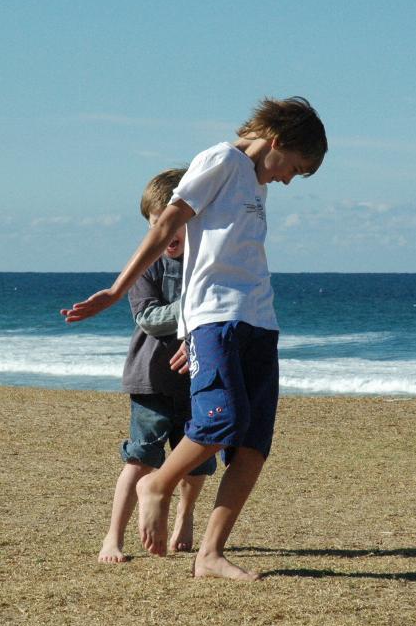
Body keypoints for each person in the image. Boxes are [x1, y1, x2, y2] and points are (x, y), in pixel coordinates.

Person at [63, 96, 327, 581]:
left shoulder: (256, 183)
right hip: (218, 318)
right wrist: (119, 290)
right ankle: (157, 485)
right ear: (278, 141)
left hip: (258, 320)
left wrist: (188, 334)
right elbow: (167, 222)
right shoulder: (221, 160)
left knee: (252, 446)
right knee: (220, 420)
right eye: (294, 166)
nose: (290, 178)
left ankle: (210, 555)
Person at [99, 168, 217, 564]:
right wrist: (195, 307)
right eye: (157, 225)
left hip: (197, 376)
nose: (168, 233)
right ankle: (112, 537)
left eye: (176, 223)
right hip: (150, 379)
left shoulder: (206, 262)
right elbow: (148, 317)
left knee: (197, 461)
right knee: (141, 457)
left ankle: (185, 517)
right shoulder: (146, 264)